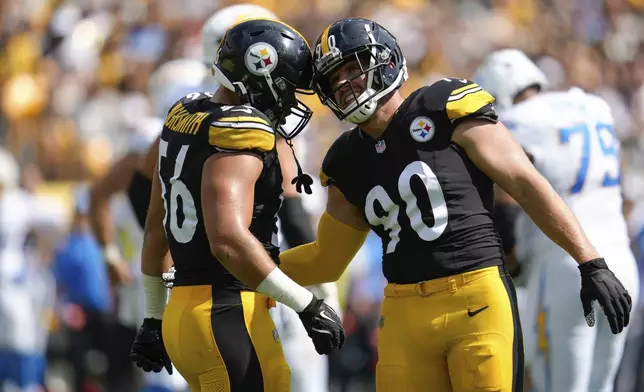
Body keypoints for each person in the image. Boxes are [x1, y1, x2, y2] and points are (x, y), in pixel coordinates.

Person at [276, 17, 632, 392]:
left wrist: (590, 260)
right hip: (402, 314)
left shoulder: (442, 106)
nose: (345, 84)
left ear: (387, 61)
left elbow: (525, 183)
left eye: (352, 68)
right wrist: (246, 269)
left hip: (475, 299)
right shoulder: (345, 159)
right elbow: (325, 260)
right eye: (334, 78)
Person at [128, 19, 345, 391]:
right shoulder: (243, 130)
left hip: (185, 313)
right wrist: (306, 304)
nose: (291, 102)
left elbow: (155, 228)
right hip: (228, 314)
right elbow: (227, 240)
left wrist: (153, 317)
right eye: (288, 90)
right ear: (261, 75)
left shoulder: (186, 115)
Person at [473, 49, 640, 392]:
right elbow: (623, 192)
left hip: (564, 268)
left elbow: (505, 202)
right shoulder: (594, 107)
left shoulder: (517, 121)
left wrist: (511, 257)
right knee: (603, 386)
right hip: (622, 263)